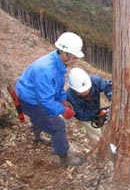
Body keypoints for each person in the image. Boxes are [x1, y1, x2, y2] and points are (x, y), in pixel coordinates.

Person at [15, 32, 85, 167]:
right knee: (58, 126)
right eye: (75, 57)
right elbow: (45, 101)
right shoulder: (45, 70)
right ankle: (64, 157)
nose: (76, 60)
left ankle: (37, 136)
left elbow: (57, 87)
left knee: (41, 117)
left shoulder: (58, 63)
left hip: (34, 96)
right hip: (29, 100)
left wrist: (62, 100)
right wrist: (62, 110)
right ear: (65, 54)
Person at [66, 67, 112, 145]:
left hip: (93, 108)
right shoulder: (70, 96)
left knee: (98, 136)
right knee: (95, 133)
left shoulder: (95, 81)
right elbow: (81, 115)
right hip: (83, 113)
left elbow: (109, 86)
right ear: (74, 90)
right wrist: (97, 113)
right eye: (82, 91)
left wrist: (112, 98)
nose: (86, 91)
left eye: (87, 89)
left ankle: (100, 148)